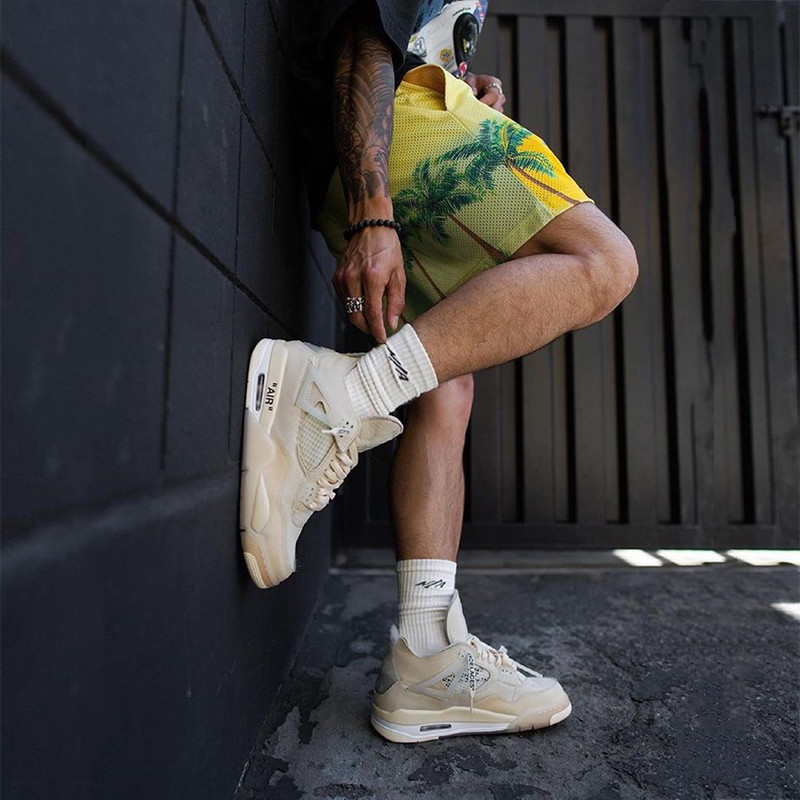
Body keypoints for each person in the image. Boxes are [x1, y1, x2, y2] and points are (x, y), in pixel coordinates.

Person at [240, 0, 638, 743]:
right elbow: (366, 26)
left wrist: (457, 73)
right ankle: (339, 399)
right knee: (603, 262)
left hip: (362, 150)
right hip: (398, 125)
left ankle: (425, 656)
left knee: (445, 379)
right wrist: (373, 211)